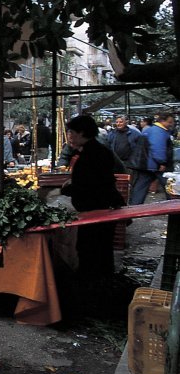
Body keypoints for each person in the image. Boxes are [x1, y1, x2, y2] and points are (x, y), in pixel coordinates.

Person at [61, 115, 125, 278]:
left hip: (96, 212)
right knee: (95, 251)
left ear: (82, 133)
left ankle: (95, 288)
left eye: (72, 132)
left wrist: (68, 189)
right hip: (93, 211)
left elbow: (92, 185)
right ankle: (97, 283)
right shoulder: (87, 151)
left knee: (94, 251)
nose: (70, 135)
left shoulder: (95, 153)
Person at [131, 112, 175, 204]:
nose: (171, 124)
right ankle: (174, 205)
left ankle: (134, 206)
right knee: (170, 186)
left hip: (147, 165)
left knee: (140, 187)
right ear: (162, 121)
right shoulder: (158, 131)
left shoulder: (152, 130)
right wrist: (162, 162)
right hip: (155, 166)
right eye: (170, 122)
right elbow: (158, 148)